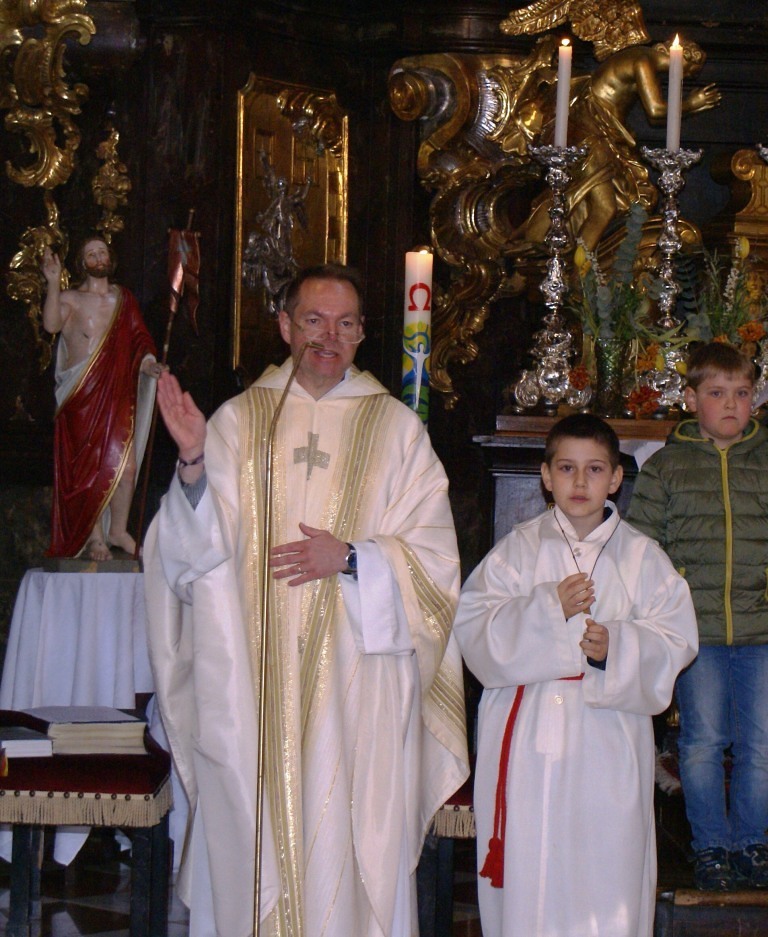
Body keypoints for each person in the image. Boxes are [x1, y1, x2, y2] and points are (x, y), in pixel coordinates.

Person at [143, 263, 469, 937]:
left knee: (347, 833)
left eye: (346, 323)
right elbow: (187, 556)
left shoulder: (397, 430)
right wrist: (195, 462)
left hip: (358, 682)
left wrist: (353, 558)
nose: (330, 336)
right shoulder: (238, 422)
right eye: (314, 320)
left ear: (362, 334)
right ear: (285, 326)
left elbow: (436, 564)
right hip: (250, 680)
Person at [454, 413, 698, 937]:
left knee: (606, 863)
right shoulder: (518, 550)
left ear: (616, 478)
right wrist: (549, 609)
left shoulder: (642, 556)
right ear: (546, 476)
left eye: (595, 469)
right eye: (567, 468)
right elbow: (474, 630)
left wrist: (617, 648)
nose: (580, 482)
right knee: (533, 863)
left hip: (608, 736)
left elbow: (676, 638)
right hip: (530, 733)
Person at [627, 342, 768, 891]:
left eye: (742, 393)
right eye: (717, 393)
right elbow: (642, 548)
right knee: (704, 742)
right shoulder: (667, 466)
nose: (731, 404)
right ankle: (711, 846)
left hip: (761, 628)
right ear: (690, 399)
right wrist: (663, 607)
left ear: (756, 398)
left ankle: (752, 842)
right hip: (696, 634)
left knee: (761, 745)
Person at [522, 39, 721, 250]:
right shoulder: (643, 60)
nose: (686, 77)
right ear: (668, 53)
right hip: (591, 132)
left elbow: (655, 119)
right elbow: (655, 110)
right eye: (687, 70)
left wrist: (692, 107)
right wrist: (692, 103)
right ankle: (576, 267)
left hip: (603, 133)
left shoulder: (640, 57)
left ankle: (557, 250)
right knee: (604, 207)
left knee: (610, 197)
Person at [42, 236, 162, 560]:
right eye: (91, 254)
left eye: (102, 252)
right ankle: (94, 537)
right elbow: (51, 324)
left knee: (127, 468)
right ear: (82, 263)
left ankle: (118, 531)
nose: (98, 258)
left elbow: (138, 338)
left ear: (111, 258)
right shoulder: (71, 298)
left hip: (116, 393)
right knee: (88, 470)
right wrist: (53, 282)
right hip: (81, 394)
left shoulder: (124, 299)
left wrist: (148, 363)